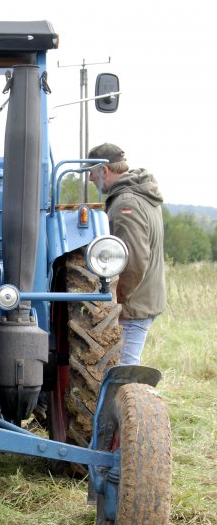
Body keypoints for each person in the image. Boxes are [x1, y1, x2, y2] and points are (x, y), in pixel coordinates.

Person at [87, 143, 166, 365]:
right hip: (142, 298)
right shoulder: (140, 195)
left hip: (132, 305)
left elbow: (133, 261)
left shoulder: (126, 203)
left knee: (123, 371)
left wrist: (114, 303)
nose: (90, 179)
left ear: (104, 170)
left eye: (91, 173)